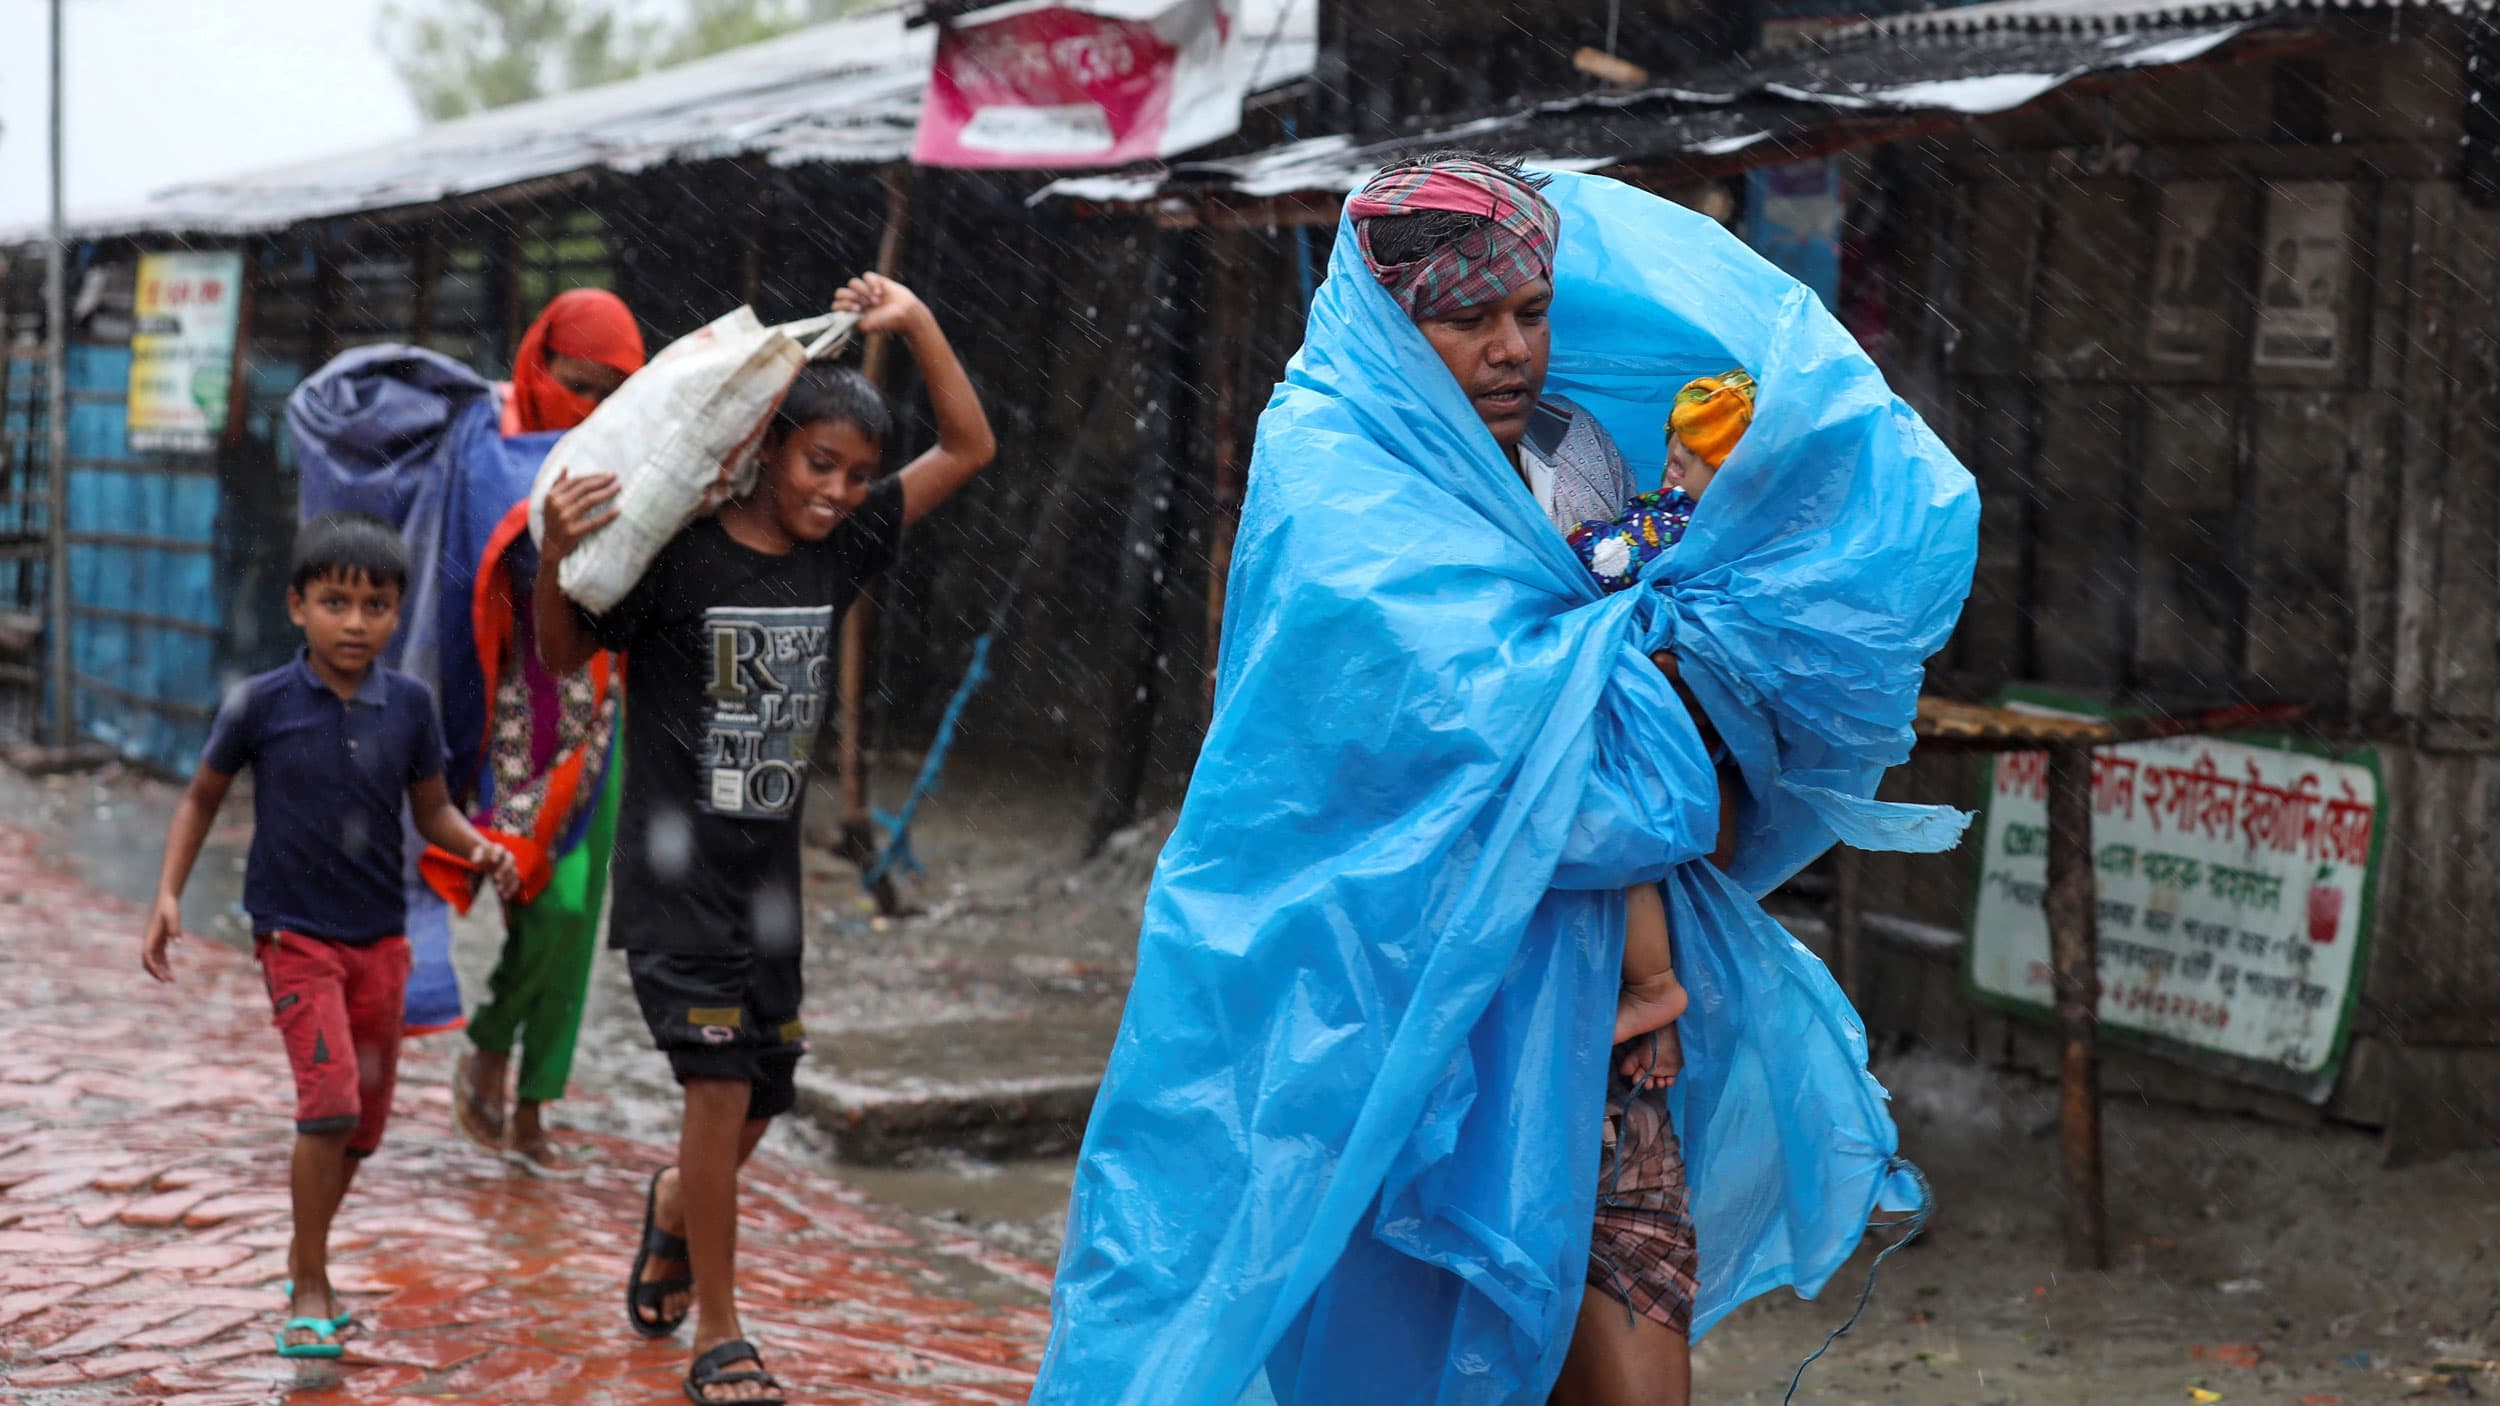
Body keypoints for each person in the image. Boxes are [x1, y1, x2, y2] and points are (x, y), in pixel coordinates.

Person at [533, 273, 995, 1406]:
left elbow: (971, 446)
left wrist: (921, 318)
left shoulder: (840, 550)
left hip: (768, 881)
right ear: (766, 447)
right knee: (717, 1086)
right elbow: (556, 652)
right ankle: (720, 1331)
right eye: (815, 464)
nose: (835, 492)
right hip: (675, 869)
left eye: (852, 473)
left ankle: (673, 1207)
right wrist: (552, 554)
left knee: (767, 1092)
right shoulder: (682, 554)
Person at [1348, 154, 1717, 1405]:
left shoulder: (1569, 454)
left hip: (1607, 1008)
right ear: (1395, 324)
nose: (1511, 349)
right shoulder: (1346, 492)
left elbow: (1626, 683)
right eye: (1468, 320)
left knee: (1628, 1352)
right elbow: (1384, 752)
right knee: (1445, 1332)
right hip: (1425, 1002)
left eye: (1531, 311)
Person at [138, 513, 520, 1359]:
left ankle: (300, 1251)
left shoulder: (410, 707)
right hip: (294, 937)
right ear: (297, 606)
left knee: (364, 1127)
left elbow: (433, 811)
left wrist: (482, 848)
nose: (356, 621)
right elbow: (201, 795)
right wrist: (168, 893)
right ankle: (310, 1282)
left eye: (376, 604)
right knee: (331, 1105)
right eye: (336, 601)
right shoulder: (261, 705)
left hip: (380, 940)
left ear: (395, 613)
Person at [450, 288, 647, 1178]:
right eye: (578, 387)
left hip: (597, 709)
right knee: (537, 894)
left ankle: (535, 1103)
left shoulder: (638, 454)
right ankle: (492, 1039)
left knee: (576, 913)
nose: (595, 415)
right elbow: (474, 555)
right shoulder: (488, 442)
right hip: (507, 709)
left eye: (616, 394)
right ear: (539, 366)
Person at [1561, 369, 1757, 1088]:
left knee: (1623, 849)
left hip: (1657, 734)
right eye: (1675, 451)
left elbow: (1602, 560)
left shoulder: (1681, 525)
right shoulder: (1747, 538)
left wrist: (1574, 543)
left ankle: (1652, 992)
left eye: (1693, 461)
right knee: (1662, 866)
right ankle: (1662, 1026)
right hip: (1699, 746)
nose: (1673, 467)